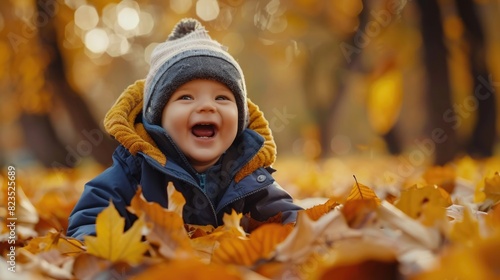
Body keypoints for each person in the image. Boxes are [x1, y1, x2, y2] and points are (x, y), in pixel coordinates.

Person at [67, 18, 303, 239]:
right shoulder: (134, 171)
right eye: (187, 98)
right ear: (158, 117)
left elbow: (290, 220)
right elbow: (89, 219)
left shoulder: (248, 174)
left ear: (241, 118)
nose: (207, 107)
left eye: (222, 98)